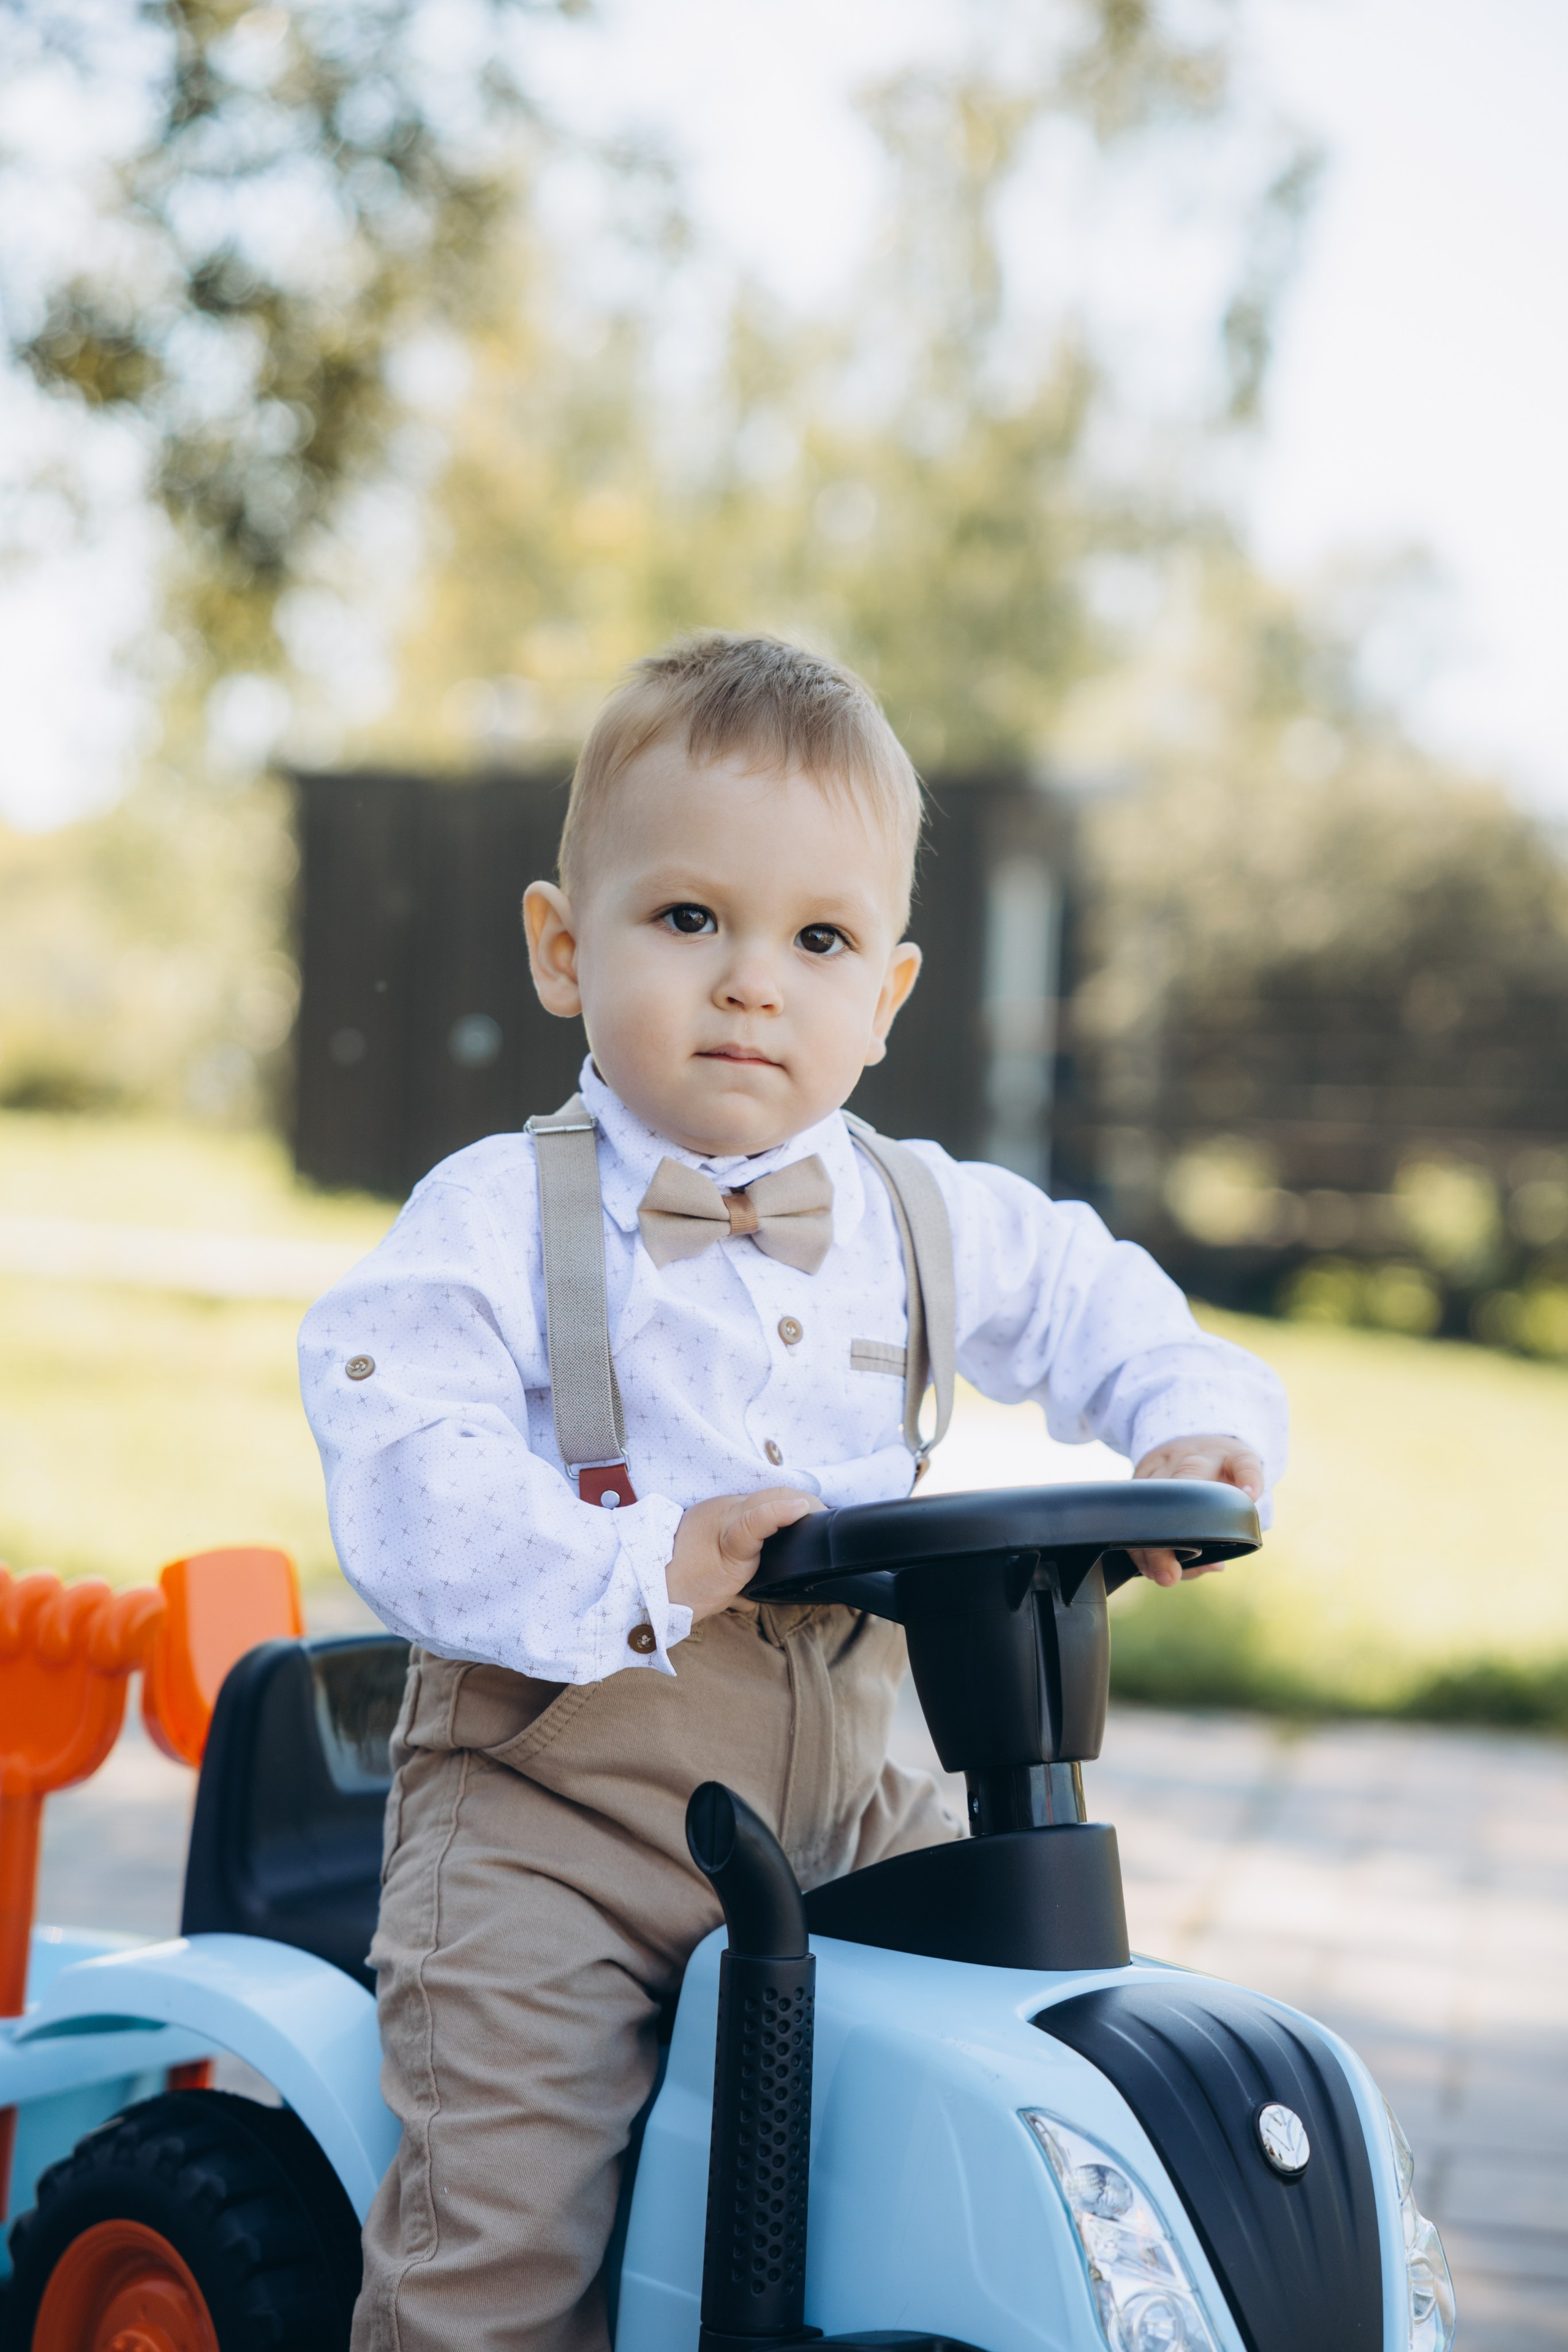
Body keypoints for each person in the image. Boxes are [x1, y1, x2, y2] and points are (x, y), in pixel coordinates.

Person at [300, 633, 1287, 2352]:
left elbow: (1100, 1302)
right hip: (560, 1807)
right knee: (504, 2234)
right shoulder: (500, 1213)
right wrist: (636, 1558)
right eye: (691, 919)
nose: (754, 984)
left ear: (887, 995)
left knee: (981, 2117)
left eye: (817, 941)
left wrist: (1189, 1428)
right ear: (564, 948)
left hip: (862, 1801)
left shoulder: (923, 1211)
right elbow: (397, 1449)